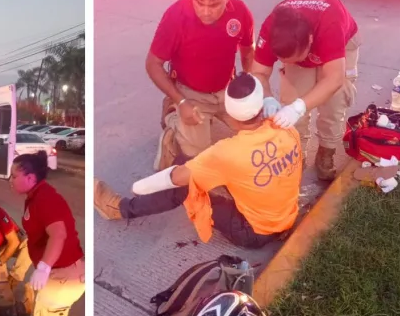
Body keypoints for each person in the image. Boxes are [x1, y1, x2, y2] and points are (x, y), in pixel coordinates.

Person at [94, 73, 302, 249]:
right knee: (209, 167)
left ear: (230, 112)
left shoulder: (227, 152)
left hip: (252, 231)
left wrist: (140, 186)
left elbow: (176, 179)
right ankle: (173, 144)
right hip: (286, 217)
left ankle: (121, 209)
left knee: (187, 182)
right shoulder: (286, 125)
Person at [147, 0, 255, 171]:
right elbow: (153, 64)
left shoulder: (240, 12)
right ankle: (173, 115)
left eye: (214, 4)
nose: (206, 12)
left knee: (256, 134)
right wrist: (182, 101)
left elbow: (248, 49)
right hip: (190, 93)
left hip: (227, 90)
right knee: (199, 161)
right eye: (199, 3)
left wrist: (248, 81)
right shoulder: (175, 16)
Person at [250, 0, 360, 181]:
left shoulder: (330, 26)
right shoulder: (271, 29)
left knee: (335, 101)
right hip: (300, 43)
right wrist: (267, 97)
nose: (291, 63)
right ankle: (295, 153)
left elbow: (334, 79)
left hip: (340, 40)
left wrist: (299, 107)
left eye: (297, 59)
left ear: (310, 40)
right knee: (291, 96)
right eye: (284, 61)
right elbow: (259, 72)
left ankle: (326, 150)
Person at [7, 151, 85, 316]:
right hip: (68, 274)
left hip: (63, 276)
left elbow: (59, 234)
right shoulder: (36, 196)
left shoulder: (46, 198)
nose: (10, 180)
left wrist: (43, 267)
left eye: (14, 175)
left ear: (30, 177)